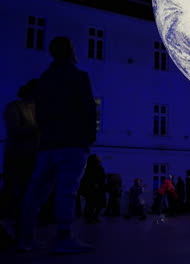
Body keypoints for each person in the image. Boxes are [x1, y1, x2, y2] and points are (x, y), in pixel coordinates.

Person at [17, 36, 97, 254]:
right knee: (66, 191)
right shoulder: (78, 76)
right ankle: (64, 236)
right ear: (70, 51)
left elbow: (25, 94)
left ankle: (25, 237)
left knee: (36, 192)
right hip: (72, 142)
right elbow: (89, 109)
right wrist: (88, 138)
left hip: (47, 143)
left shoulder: (45, 79)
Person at [0, 79, 40, 237]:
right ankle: (7, 223)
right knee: (13, 190)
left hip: (32, 157)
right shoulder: (14, 107)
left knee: (28, 193)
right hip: (17, 156)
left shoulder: (37, 109)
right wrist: (39, 126)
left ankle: (22, 230)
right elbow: (15, 130)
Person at [80, 154, 107, 223]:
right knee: (91, 203)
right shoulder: (90, 168)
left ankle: (95, 216)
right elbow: (87, 178)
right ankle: (90, 217)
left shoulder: (100, 168)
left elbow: (103, 177)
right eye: (97, 158)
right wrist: (93, 183)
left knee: (100, 204)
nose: (99, 158)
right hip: (91, 188)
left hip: (100, 188)